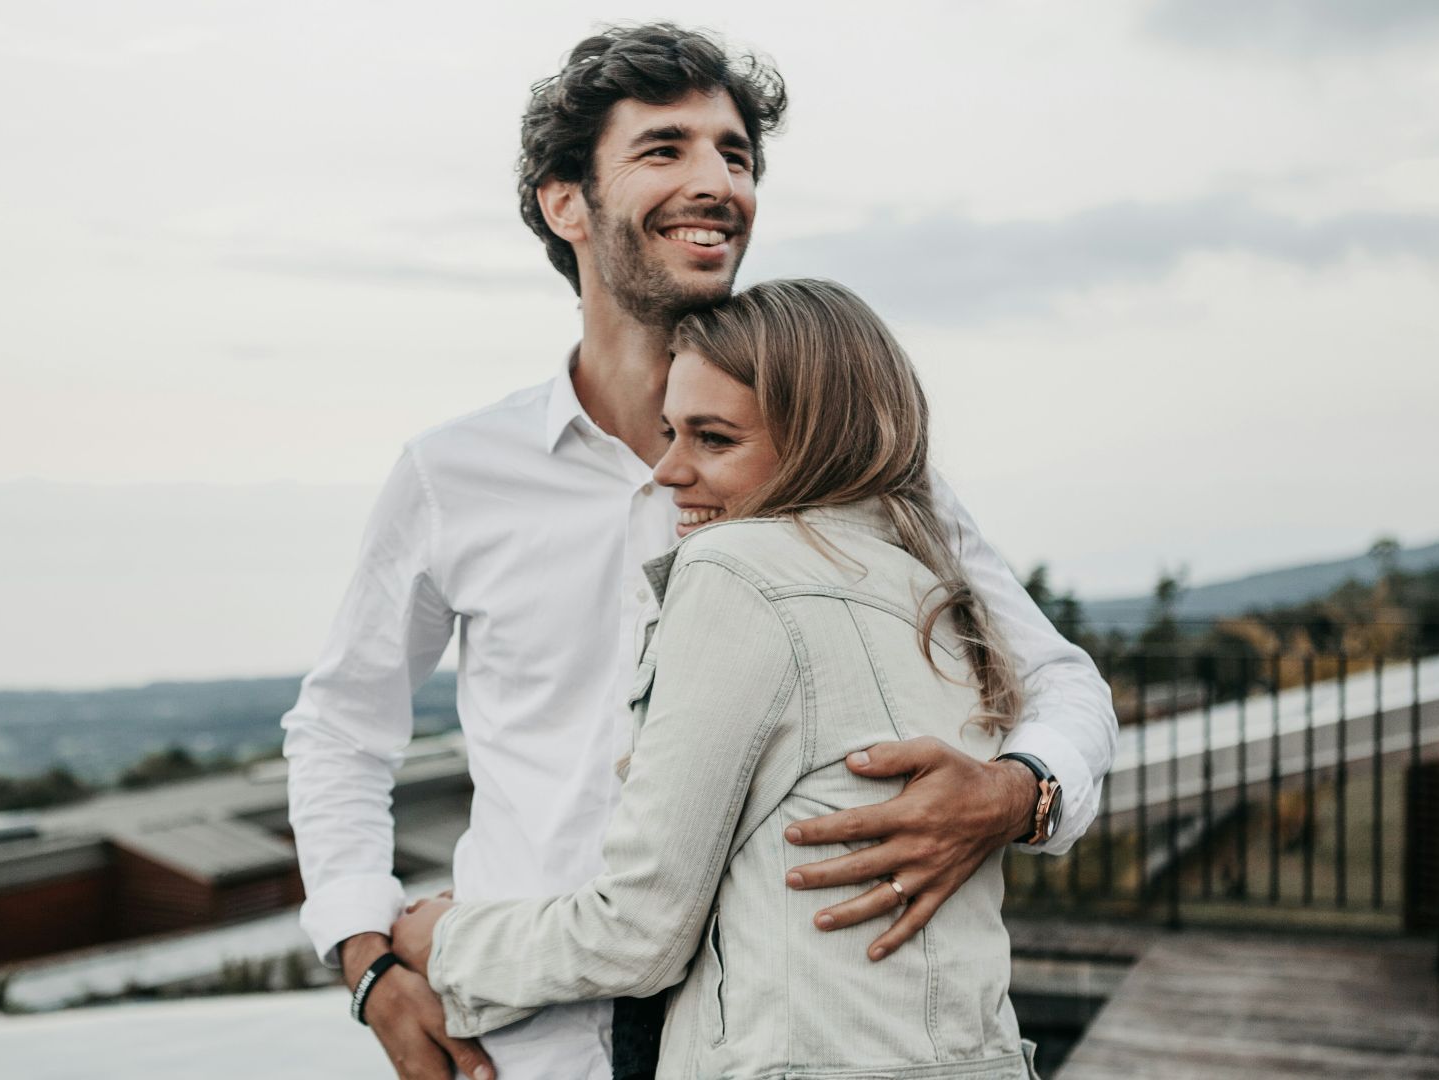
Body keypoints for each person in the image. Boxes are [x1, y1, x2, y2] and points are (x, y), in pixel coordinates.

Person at [279, 24, 1115, 1080]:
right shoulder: (454, 473)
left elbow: (1057, 678)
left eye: (736, 155)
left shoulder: (845, 463)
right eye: (665, 149)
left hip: (772, 1034)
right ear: (565, 202)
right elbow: (342, 729)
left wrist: (1018, 793)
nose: (717, 181)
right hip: (527, 1036)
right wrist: (366, 961)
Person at [388, 278, 1046, 1079]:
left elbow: (639, 933)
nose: (668, 471)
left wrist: (444, 943)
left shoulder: (735, 570)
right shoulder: (937, 589)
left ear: (819, 440)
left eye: (713, 439)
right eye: (670, 432)